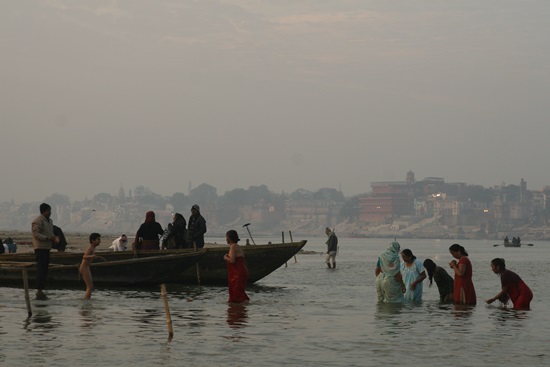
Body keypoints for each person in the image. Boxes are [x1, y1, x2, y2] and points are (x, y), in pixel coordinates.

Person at [31, 203, 60, 300]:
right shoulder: (37, 221)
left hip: (47, 248)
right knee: (41, 269)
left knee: (45, 269)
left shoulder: (50, 221)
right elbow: (36, 234)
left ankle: (42, 288)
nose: (50, 212)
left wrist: (54, 238)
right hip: (40, 248)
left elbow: (50, 233)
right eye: (48, 210)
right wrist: (48, 238)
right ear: (44, 211)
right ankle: (39, 289)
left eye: (50, 210)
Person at [223, 229, 249, 304]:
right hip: (240, 272)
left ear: (230, 238)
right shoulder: (238, 246)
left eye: (227, 237)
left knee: (238, 294)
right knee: (238, 293)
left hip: (237, 273)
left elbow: (232, 260)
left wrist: (225, 257)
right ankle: (240, 311)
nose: (226, 239)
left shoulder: (233, 246)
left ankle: (239, 312)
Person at [80, 233, 106, 299]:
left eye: (100, 239)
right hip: (84, 268)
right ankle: (86, 303)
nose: (100, 241)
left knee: (91, 287)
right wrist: (92, 256)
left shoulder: (93, 248)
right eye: (98, 239)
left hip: (86, 267)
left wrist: (98, 257)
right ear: (93, 240)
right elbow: (84, 256)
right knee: (89, 287)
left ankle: (87, 301)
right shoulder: (90, 248)